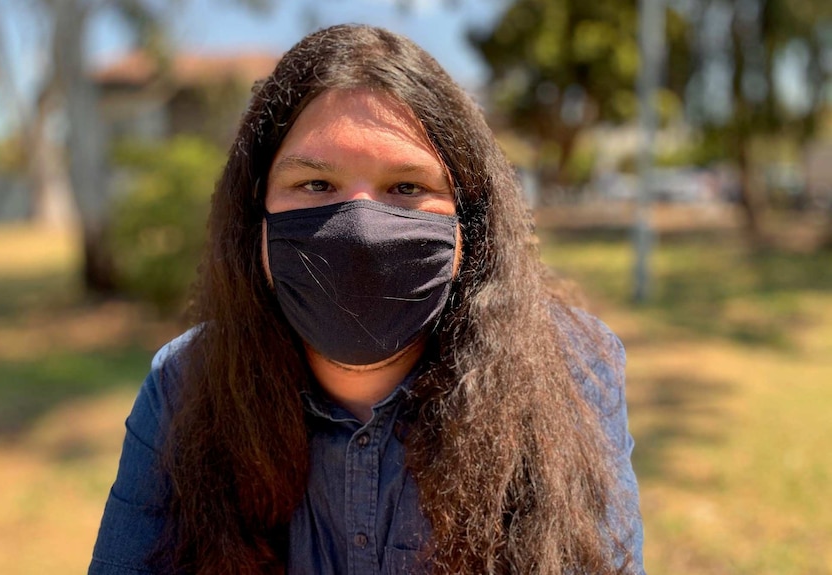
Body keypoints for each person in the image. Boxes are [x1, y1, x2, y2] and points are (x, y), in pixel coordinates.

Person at [89, 23, 645, 575]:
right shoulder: (184, 384)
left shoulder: (575, 369)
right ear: (255, 215)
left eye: (406, 188)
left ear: (467, 225)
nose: (360, 228)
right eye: (315, 185)